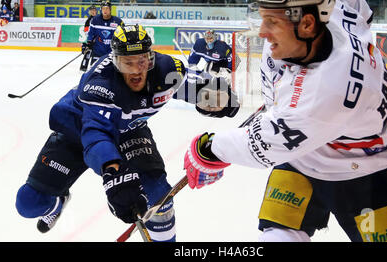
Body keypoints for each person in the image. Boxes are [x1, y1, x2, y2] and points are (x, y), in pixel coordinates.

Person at [182, 0, 387, 242]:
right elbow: (359, 6)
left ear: (308, 24)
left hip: (366, 171)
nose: (262, 32)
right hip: (301, 158)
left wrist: (208, 148)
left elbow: (261, 145)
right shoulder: (326, 11)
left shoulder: (327, 90)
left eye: (271, 22)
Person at [15, 24, 240, 241]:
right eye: (127, 63)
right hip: (78, 129)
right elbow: (96, 134)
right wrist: (114, 172)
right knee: (28, 203)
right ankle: (57, 201)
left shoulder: (168, 69)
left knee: (158, 197)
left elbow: (187, 87)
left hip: (129, 132)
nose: (135, 70)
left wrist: (214, 96)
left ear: (151, 58)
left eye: (141, 61)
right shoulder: (100, 83)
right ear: (115, 61)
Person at [85, 0, 123, 69]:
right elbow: (90, 33)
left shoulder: (118, 21)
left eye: (107, 8)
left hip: (112, 54)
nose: (105, 10)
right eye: (103, 8)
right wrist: (89, 43)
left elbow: (122, 36)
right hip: (97, 53)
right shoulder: (94, 20)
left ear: (110, 9)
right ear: (101, 9)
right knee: (94, 73)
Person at [79, 5, 98, 71]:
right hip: (91, 40)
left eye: (94, 10)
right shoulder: (88, 21)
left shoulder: (99, 19)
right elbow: (86, 31)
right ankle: (84, 66)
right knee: (88, 52)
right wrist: (91, 38)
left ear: (96, 11)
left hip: (99, 40)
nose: (93, 12)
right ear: (89, 12)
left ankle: (94, 66)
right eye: (91, 10)